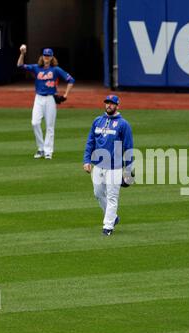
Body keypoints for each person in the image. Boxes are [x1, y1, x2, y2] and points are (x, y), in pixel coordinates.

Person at [83, 95, 134, 236]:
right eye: (107, 103)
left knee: (112, 196)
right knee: (98, 193)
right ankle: (113, 217)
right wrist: (86, 160)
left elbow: (129, 147)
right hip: (98, 165)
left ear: (117, 105)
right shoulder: (97, 121)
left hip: (115, 167)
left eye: (112, 103)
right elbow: (90, 141)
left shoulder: (123, 124)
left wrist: (128, 170)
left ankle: (108, 226)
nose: (109, 106)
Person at [17, 45, 75, 159]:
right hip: (38, 98)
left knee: (50, 126)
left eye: (48, 55)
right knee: (35, 123)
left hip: (50, 99)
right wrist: (22, 53)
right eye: (45, 55)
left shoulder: (56, 69)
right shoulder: (36, 68)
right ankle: (41, 148)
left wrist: (65, 95)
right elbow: (20, 65)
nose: (46, 57)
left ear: (52, 57)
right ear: (42, 56)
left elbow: (71, 80)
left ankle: (48, 151)